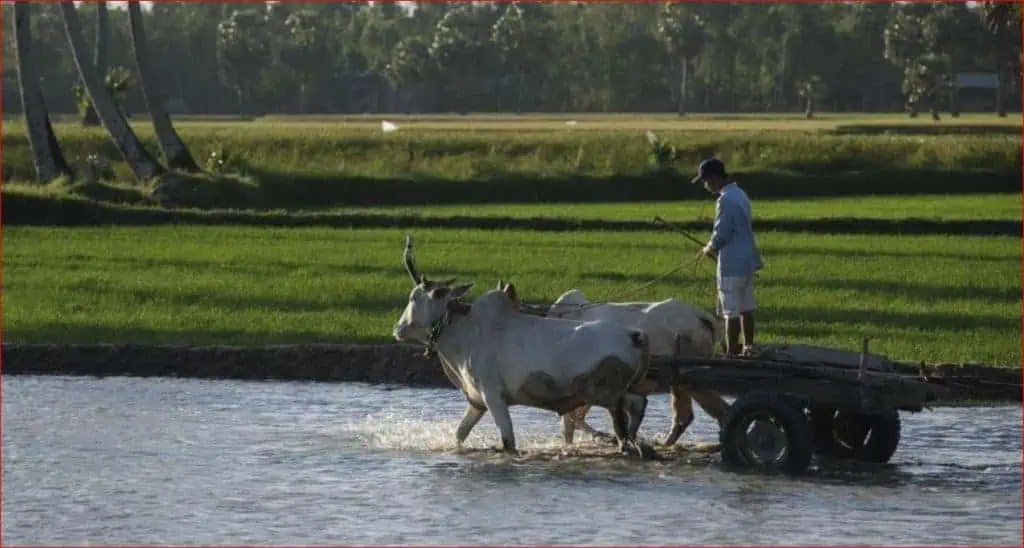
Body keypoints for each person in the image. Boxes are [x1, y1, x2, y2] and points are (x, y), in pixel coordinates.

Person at [690, 158, 763, 356]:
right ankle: (748, 347)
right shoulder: (740, 194)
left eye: (705, 181)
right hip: (747, 260)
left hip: (732, 263)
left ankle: (731, 353)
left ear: (714, 178)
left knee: (731, 311)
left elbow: (722, 233)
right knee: (747, 307)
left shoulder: (725, 200)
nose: (705, 185)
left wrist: (708, 248)